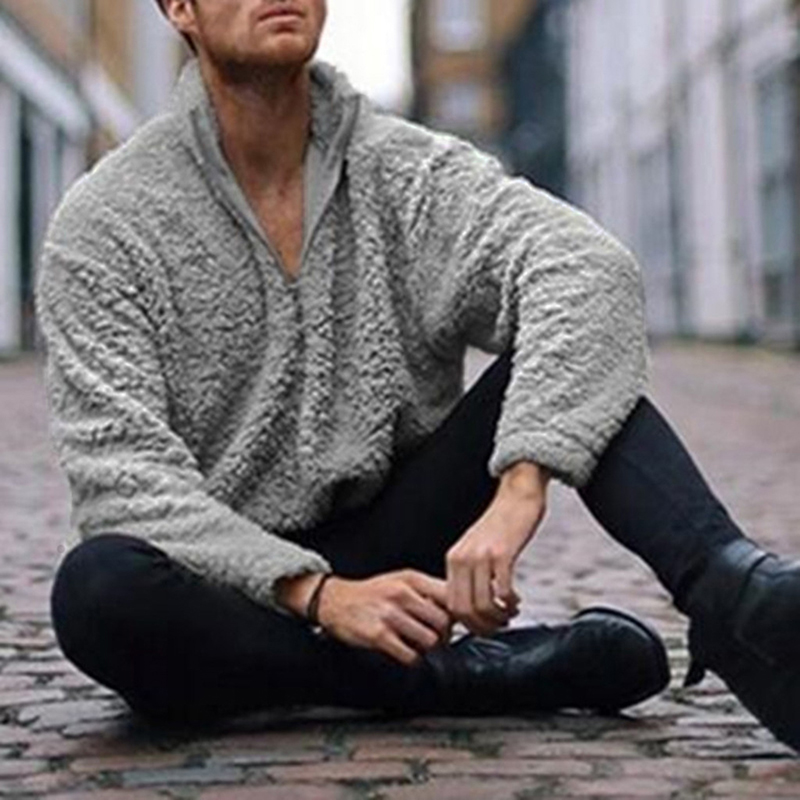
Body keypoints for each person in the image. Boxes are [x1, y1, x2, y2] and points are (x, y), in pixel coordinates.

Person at [35, 0, 799, 750]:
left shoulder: (405, 172)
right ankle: (455, 678)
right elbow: (126, 484)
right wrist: (321, 596)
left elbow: (587, 270)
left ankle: (738, 598)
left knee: (579, 366)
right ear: (180, 8)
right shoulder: (109, 221)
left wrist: (521, 486)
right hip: (225, 588)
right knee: (100, 590)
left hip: (396, 544)